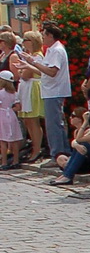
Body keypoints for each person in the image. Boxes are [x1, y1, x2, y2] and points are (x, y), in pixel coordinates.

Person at [21, 22, 71, 160]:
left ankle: (58, 155)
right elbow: (43, 71)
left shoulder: (56, 50)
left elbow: (52, 71)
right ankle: (61, 153)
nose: (42, 39)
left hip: (55, 91)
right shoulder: (51, 50)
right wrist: (29, 63)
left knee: (53, 126)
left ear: (50, 36)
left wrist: (33, 62)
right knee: (55, 124)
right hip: (50, 91)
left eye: (44, 36)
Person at [12, 30, 44, 162]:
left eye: (27, 40)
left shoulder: (37, 56)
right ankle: (35, 147)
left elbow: (25, 74)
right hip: (26, 88)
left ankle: (37, 149)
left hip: (32, 88)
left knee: (33, 120)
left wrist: (22, 69)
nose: (24, 43)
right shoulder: (29, 56)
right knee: (28, 121)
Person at [0, 71, 23, 168]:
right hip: (12, 116)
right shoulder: (15, 93)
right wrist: (10, 109)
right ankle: (16, 161)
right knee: (14, 140)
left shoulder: (0, 93)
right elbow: (18, 107)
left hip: (2, 115)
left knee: (3, 141)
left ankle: (4, 162)